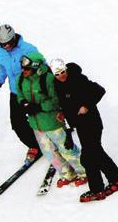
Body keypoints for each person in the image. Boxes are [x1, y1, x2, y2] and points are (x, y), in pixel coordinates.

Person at [49, 59, 118, 202]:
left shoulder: (78, 79)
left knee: (88, 157)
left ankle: (97, 190)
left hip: (92, 123)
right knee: (96, 153)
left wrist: (86, 105)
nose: (61, 76)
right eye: (58, 74)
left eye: (63, 72)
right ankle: (116, 180)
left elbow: (99, 90)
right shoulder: (58, 85)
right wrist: (63, 113)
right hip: (81, 126)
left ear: (66, 69)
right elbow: (68, 103)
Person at [17, 52, 87, 188]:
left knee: (67, 150)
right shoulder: (21, 79)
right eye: (22, 68)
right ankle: (67, 174)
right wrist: (24, 104)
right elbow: (19, 95)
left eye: (27, 68)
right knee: (50, 153)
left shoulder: (48, 79)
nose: (23, 71)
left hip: (53, 122)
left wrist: (38, 106)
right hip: (36, 124)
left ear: (36, 67)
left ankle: (84, 172)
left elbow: (56, 100)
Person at [0, 24, 42, 160]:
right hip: (16, 93)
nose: (6, 46)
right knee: (17, 123)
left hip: (32, 91)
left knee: (40, 118)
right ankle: (35, 146)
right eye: (3, 44)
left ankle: (56, 141)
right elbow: (2, 68)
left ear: (14, 37)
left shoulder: (28, 49)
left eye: (9, 43)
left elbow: (43, 69)